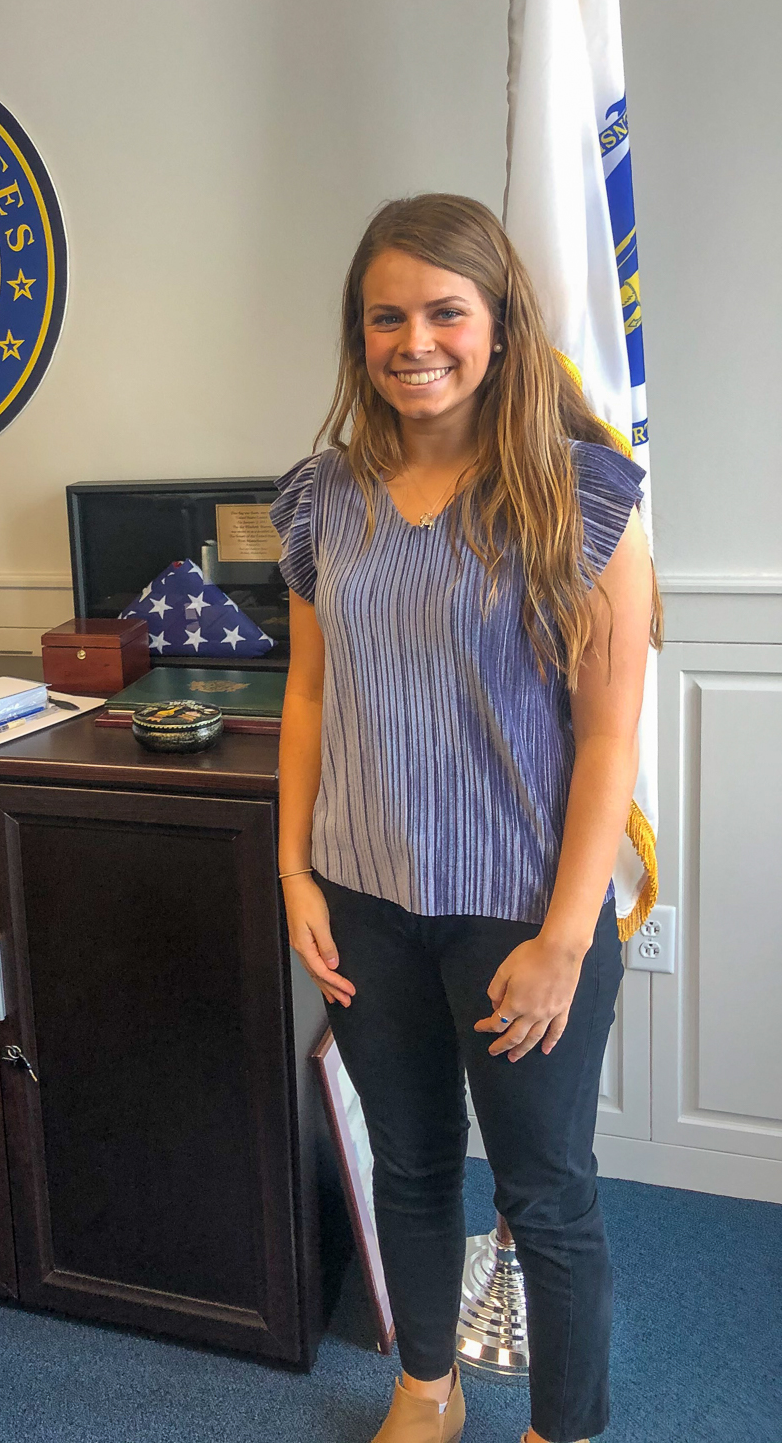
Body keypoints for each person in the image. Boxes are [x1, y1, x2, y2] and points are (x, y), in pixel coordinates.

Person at [270, 194, 659, 1443]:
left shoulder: (581, 496)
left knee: (546, 1197)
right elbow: (310, 693)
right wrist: (292, 872)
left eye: (445, 311)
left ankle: (563, 1428)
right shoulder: (321, 497)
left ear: (498, 326)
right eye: (388, 316)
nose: (415, 339)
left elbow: (608, 737)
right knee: (414, 1165)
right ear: (358, 333)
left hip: (521, 916)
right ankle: (426, 1389)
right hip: (365, 903)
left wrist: (559, 940)